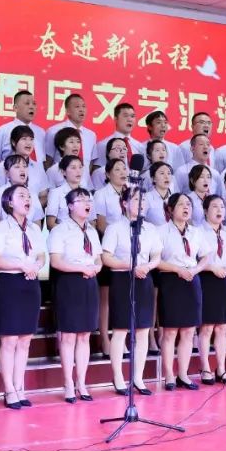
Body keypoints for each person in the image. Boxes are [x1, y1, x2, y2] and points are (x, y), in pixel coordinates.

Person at [0, 184, 46, 409]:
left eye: (28, 196)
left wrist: (35, 266)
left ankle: (20, 387)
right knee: (10, 340)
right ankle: (9, 389)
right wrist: (21, 265)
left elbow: (41, 255)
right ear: (9, 202)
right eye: (21, 196)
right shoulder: (0, 229)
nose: (27, 199)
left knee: (25, 340)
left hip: (31, 284)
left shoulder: (33, 229)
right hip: (9, 284)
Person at [101, 185, 161, 395]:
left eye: (143, 200)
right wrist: (129, 265)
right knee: (121, 329)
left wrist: (148, 266)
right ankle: (118, 376)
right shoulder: (115, 228)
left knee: (143, 329)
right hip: (122, 278)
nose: (141, 203)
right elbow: (106, 257)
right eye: (136, 199)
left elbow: (156, 256)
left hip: (144, 278)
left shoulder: (151, 229)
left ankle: (138, 377)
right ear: (124, 203)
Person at [48, 188, 102, 403]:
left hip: (90, 282)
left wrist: (95, 269)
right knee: (69, 336)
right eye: (81, 200)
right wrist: (81, 269)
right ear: (70, 206)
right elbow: (56, 261)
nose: (87, 203)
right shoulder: (60, 230)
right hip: (69, 283)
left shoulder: (92, 231)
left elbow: (98, 259)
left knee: (84, 335)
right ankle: (68, 383)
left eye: (88, 200)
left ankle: (82, 382)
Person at [157, 193, 207, 390]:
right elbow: (155, 260)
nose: (186, 207)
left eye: (189, 204)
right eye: (181, 204)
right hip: (171, 279)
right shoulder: (161, 231)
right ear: (170, 209)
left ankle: (183, 375)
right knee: (170, 332)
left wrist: (195, 270)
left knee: (188, 331)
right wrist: (177, 269)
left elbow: (206, 256)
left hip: (192, 280)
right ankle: (169, 375)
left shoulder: (196, 232)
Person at [197, 194, 226, 385]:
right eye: (215, 207)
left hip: (225, 278)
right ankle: (205, 368)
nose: (219, 210)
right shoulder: (198, 231)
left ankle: (221, 369)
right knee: (207, 327)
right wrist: (212, 268)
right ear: (205, 210)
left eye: (222, 207)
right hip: (207, 278)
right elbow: (195, 258)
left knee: (222, 327)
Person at [93, 157, 129, 356]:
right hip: (108, 247)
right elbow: (100, 224)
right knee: (106, 297)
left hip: (128, 251)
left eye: (124, 168)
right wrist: (118, 239)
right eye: (117, 169)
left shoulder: (132, 192)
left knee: (125, 296)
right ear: (107, 174)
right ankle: (105, 338)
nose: (123, 172)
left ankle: (121, 337)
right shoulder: (101, 194)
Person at [0, 90, 45, 167]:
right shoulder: (2, 131)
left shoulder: (41, 132)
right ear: (15, 108)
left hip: (38, 174)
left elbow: (43, 160)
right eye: (27, 103)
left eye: (34, 104)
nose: (31, 107)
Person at [44, 93, 96, 165]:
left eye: (84, 106)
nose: (81, 110)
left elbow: (91, 163)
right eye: (77, 107)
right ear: (67, 111)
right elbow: (48, 160)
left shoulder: (91, 135)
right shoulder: (54, 131)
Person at [92, 103, 139, 171]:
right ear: (116, 119)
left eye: (132, 116)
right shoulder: (103, 145)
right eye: (125, 116)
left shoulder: (140, 147)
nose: (130, 119)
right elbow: (97, 172)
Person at [45, 154, 88, 228]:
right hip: (63, 233)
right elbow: (50, 224)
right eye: (73, 168)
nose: (78, 171)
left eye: (80, 167)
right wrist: (69, 232)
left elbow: (92, 222)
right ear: (63, 172)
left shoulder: (87, 194)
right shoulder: (55, 193)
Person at [143, 162, 173, 226]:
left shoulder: (175, 199)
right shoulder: (146, 198)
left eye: (169, 173)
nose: (166, 177)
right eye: (162, 173)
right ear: (153, 179)